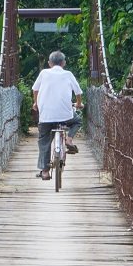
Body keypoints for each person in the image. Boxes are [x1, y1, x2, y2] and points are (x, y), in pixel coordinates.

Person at [30, 50, 83, 181]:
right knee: (77, 121)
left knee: (44, 141)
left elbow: (35, 89)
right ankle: (69, 139)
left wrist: (35, 103)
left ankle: (45, 171)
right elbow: (78, 92)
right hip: (66, 116)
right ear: (64, 63)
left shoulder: (43, 73)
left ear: (49, 63)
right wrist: (79, 104)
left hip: (46, 117)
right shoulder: (68, 74)